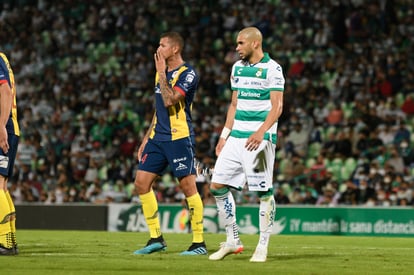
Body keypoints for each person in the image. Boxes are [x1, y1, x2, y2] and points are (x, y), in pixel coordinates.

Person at [208, 27, 284, 262]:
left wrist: (261, 132)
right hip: (236, 138)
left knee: (263, 192)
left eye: (241, 43)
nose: (237, 47)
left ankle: (262, 246)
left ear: (254, 44)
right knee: (217, 186)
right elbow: (234, 104)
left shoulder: (273, 69)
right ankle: (232, 241)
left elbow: (277, 106)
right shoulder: (237, 68)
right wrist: (224, 136)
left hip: (259, 140)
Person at [133, 32, 206, 256]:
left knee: (188, 187)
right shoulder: (161, 74)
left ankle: (199, 243)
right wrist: (147, 137)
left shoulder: (188, 73)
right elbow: (159, 108)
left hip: (179, 137)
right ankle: (156, 238)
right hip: (157, 137)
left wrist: (162, 73)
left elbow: (169, 99)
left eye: (162, 45)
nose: (158, 48)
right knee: (141, 183)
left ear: (174, 49)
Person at [0, 52, 20, 255]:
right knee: (2, 186)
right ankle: (9, 238)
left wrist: (1, 126)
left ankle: (5, 241)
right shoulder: (3, 58)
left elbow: (5, 91)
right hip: (9, 125)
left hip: (4, 128)